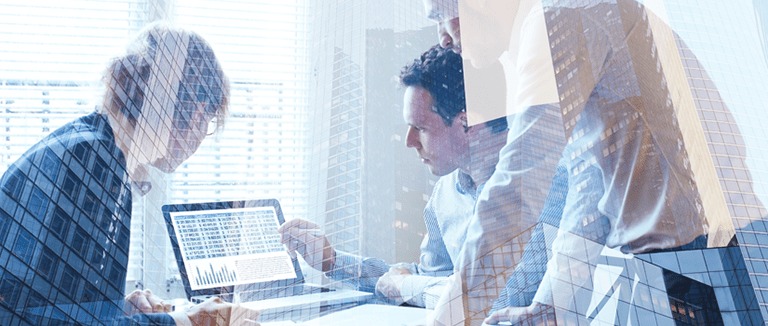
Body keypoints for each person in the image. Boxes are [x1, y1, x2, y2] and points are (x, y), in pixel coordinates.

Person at [421, 0, 736, 325]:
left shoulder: (558, 18)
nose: (442, 37)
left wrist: (448, 320)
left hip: (693, 259)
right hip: (679, 259)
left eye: (441, 16)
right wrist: (552, 304)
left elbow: (517, 191)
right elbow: (590, 179)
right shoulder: (552, 21)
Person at [0, 22, 255, 325]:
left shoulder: (88, 143)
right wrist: (187, 321)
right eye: (209, 121)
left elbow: (45, 300)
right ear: (198, 111)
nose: (202, 134)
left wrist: (115, 308)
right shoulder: (95, 162)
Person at [278, 44, 508, 309]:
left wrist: (406, 286)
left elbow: (498, 297)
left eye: (420, 128)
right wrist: (333, 261)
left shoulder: (535, 184)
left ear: (466, 123)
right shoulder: (445, 193)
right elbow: (429, 280)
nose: (409, 141)